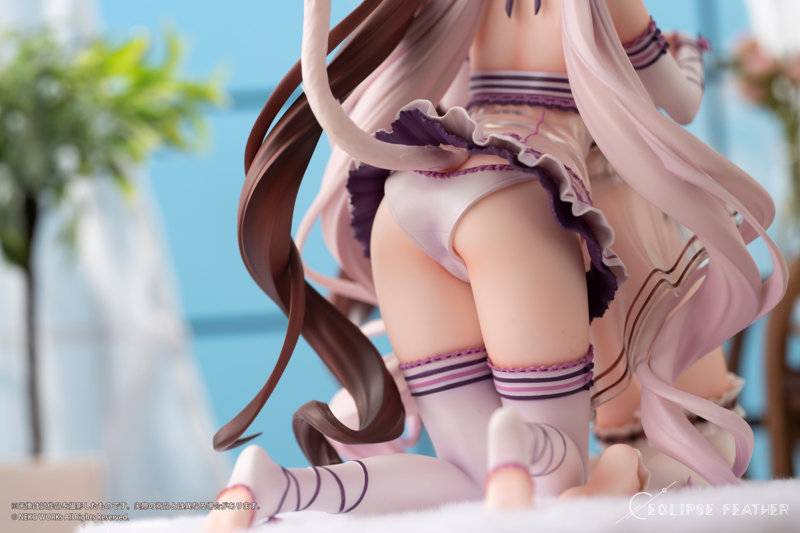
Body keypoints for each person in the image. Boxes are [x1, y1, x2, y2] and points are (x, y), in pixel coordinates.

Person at [204, 1, 786, 530]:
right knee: (557, 476)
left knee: (469, 477)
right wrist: (686, 52)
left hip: (410, 197)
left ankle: (276, 486)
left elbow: (445, 81)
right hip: (513, 197)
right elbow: (681, 103)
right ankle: (523, 441)